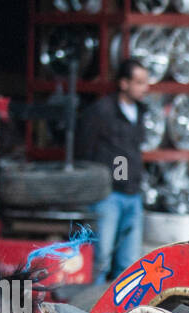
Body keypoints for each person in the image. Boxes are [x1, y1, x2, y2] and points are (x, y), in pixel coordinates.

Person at [76, 58, 150, 283]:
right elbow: (83, 148)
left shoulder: (141, 112)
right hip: (108, 195)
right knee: (101, 259)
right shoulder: (102, 111)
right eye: (138, 82)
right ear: (124, 83)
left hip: (133, 193)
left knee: (128, 263)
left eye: (145, 82)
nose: (143, 88)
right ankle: (90, 309)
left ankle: (119, 312)